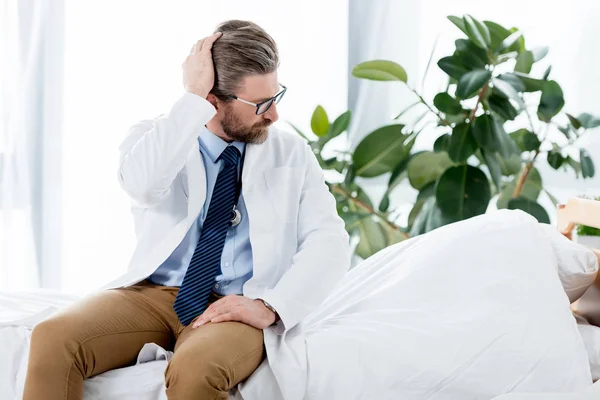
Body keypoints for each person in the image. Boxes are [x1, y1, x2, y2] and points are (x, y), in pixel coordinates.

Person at [23, 20, 350, 400]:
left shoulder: (292, 155)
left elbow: (329, 242)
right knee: (53, 337)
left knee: (195, 369)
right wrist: (192, 97)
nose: (274, 115)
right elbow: (142, 186)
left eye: (277, 97)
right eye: (261, 104)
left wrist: (270, 306)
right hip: (155, 294)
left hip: (236, 304)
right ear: (212, 100)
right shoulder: (158, 137)